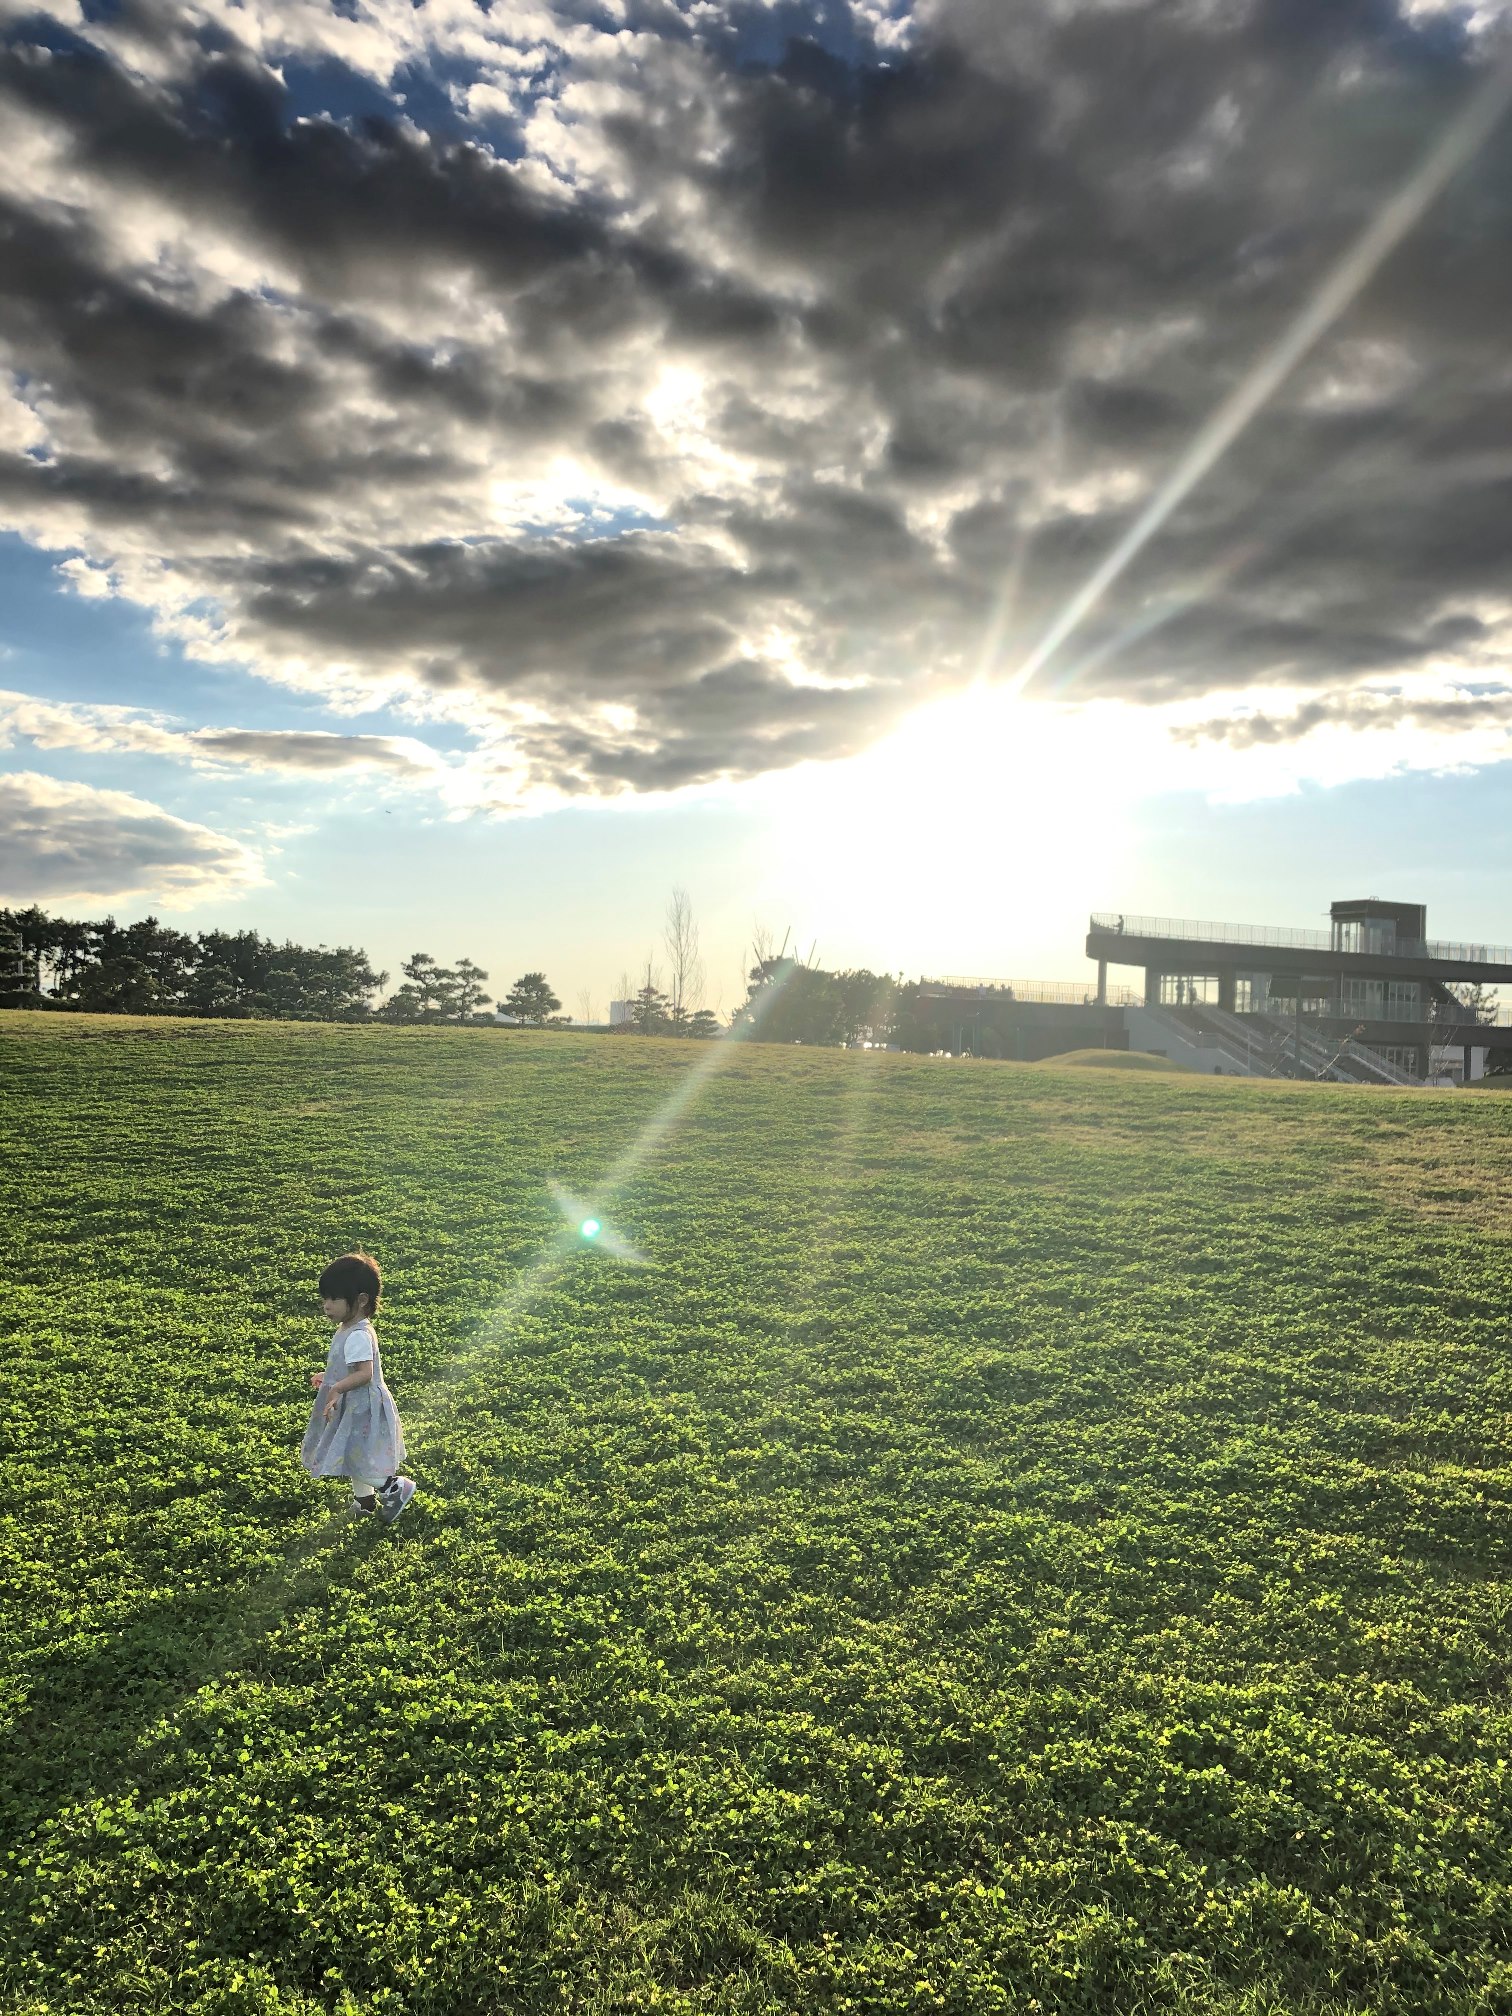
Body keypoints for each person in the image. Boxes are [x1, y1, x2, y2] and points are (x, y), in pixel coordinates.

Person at [301, 1250, 415, 1522]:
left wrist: (337, 1387)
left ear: (361, 1300)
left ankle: (394, 1487)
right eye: (324, 1298)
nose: (326, 1306)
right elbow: (350, 1366)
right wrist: (329, 1376)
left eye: (333, 1299)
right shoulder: (349, 1327)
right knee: (351, 1453)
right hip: (352, 1406)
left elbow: (364, 1373)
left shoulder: (358, 1335)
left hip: (360, 1407)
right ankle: (365, 1503)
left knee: (356, 1457)